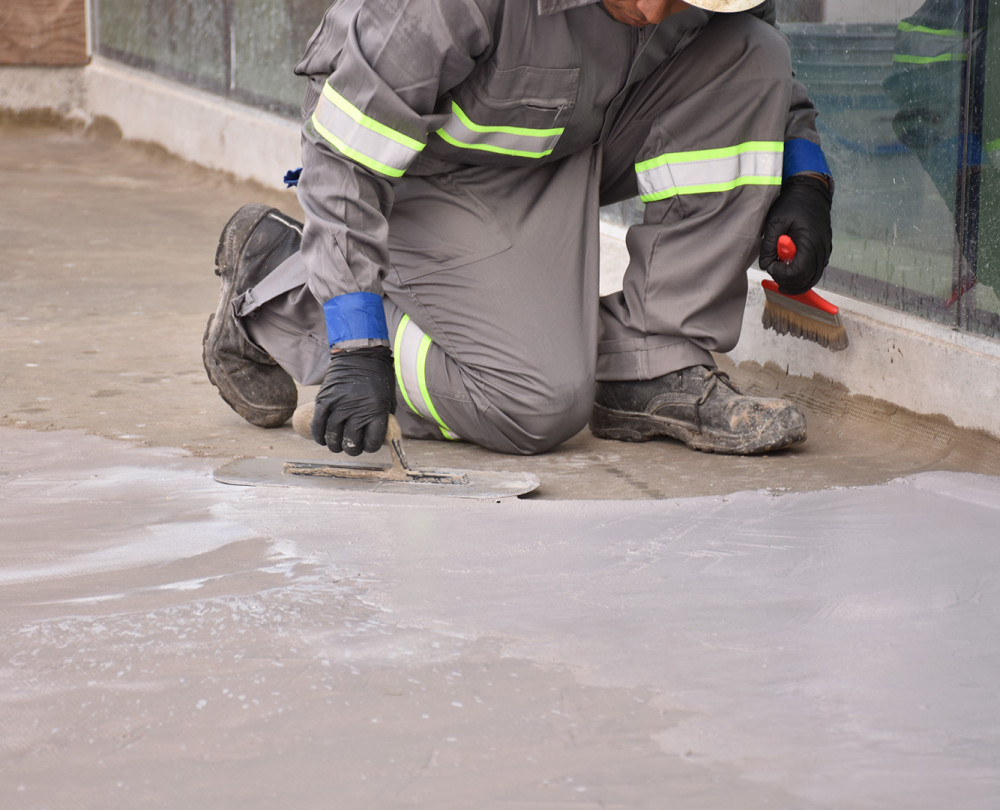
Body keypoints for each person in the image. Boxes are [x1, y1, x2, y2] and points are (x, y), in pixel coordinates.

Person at [203, 0, 834, 458]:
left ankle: (652, 362)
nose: (653, 9)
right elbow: (346, 158)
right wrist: (356, 342)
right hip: (421, 184)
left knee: (751, 52)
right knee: (533, 404)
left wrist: (804, 178)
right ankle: (290, 297)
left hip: (565, 144)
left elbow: (760, 65)